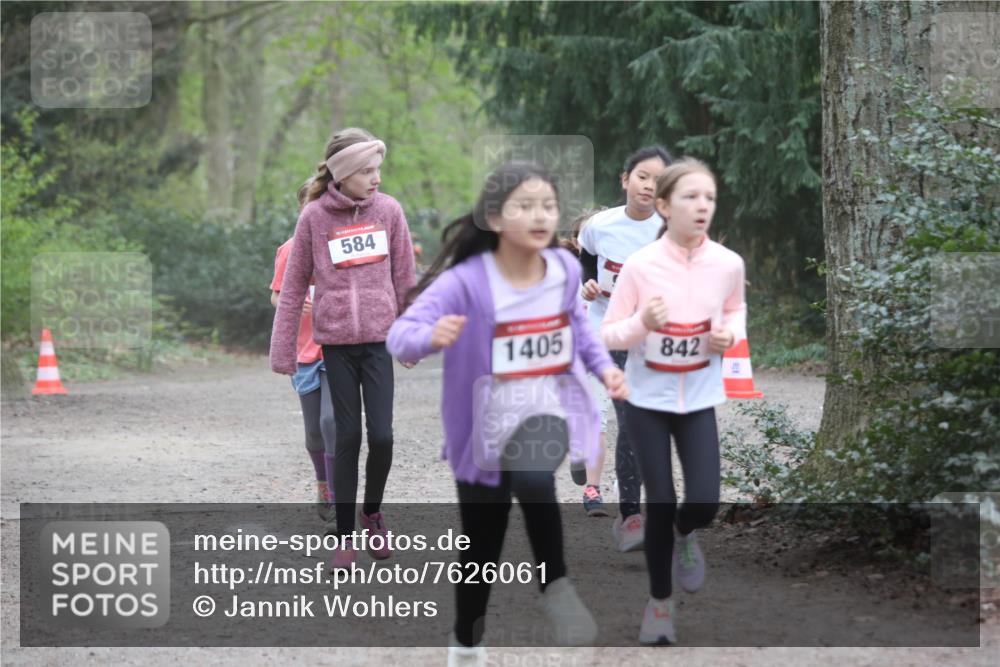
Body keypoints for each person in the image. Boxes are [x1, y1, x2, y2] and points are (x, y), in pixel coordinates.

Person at [386, 162, 628, 661]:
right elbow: (401, 333)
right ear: (495, 218)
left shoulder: (561, 269)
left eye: (548, 206)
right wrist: (430, 337)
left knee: (536, 479)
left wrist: (604, 369)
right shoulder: (466, 281)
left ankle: (556, 585)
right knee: (482, 545)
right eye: (525, 206)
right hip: (481, 427)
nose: (540, 216)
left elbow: (579, 331)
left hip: (543, 408)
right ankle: (466, 642)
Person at [601, 158, 745, 644]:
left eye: (709, 198)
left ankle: (687, 532)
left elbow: (735, 310)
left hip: (698, 397)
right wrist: (642, 324)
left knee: (704, 501)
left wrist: (729, 335)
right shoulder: (641, 266)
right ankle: (659, 605)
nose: (702, 206)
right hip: (647, 400)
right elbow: (609, 332)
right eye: (690, 197)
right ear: (664, 206)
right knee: (659, 502)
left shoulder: (727, 264)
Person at [270, 127, 416, 569]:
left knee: (383, 436)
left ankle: (372, 513)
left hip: (378, 341)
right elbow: (292, 289)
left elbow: (405, 279)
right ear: (343, 173)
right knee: (347, 436)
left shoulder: (389, 211)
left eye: (378, 170)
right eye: (367, 171)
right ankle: (345, 536)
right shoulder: (314, 218)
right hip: (334, 344)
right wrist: (283, 351)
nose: (376, 178)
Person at [578, 146, 672, 548]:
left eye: (658, 180)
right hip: (607, 330)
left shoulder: (668, 228)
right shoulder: (600, 225)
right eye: (642, 177)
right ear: (625, 180)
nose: (649, 186)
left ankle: (633, 502)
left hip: (650, 337)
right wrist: (588, 284)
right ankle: (627, 512)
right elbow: (586, 258)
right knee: (621, 414)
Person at [270, 239, 335, 525]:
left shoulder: (340, 240)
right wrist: (295, 304)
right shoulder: (291, 248)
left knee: (330, 421)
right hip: (304, 351)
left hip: (337, 346)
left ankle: (337, 495)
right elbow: (276, 296)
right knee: (314, 432)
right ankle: (323, 484)